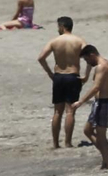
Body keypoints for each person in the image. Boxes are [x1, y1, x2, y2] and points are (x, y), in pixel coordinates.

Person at [37, 16, 87, 148]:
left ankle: (55, 143)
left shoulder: (54, 41)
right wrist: (86, 75)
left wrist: (50, 73)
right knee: (70, 111)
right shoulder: (79, 41)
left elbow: (41, 58)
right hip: (73, 76)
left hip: (59, 76)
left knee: (57, 112)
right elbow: (90, 57)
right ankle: (68, 142)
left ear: (62, 27)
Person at [73, 44, 108, 170]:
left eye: (87, 59)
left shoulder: (102, 67)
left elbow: (96, 87)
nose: (88, 62)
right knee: (87, 130)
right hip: (103, 102)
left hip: (103, 103)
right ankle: (105, 158)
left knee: (101, 136)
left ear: (92, 55)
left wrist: (80, 101)